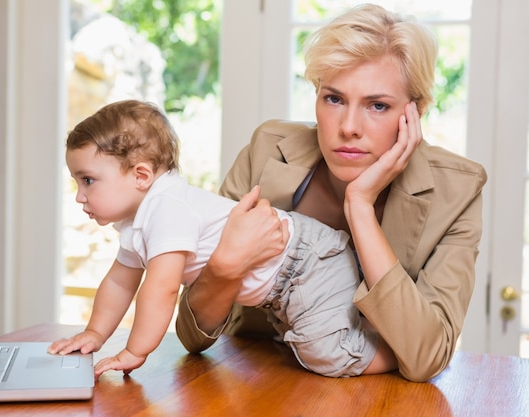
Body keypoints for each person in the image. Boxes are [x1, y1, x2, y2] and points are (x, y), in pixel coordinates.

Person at [175, 3, 488, 382]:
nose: (349, 127)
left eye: (377, 105)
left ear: (415, 112)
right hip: (256, 379)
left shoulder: (458, 190)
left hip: (373, 398)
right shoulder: (268, 150)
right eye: (334, 98)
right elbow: (194, 336)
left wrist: (360, 206)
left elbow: (427, 358)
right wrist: (224, 267)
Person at [48, 99, 392, 379]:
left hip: (308, 262)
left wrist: (134, 351)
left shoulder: (167, 208)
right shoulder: (138, 221)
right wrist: (94, 334)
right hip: (287, 282)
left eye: (88, 181)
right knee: (305, 348)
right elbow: (119, 283)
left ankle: (396, 355)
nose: (79, 196)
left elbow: (162, 288)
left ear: (141, 175)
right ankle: (363, 336)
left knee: (324, 356)